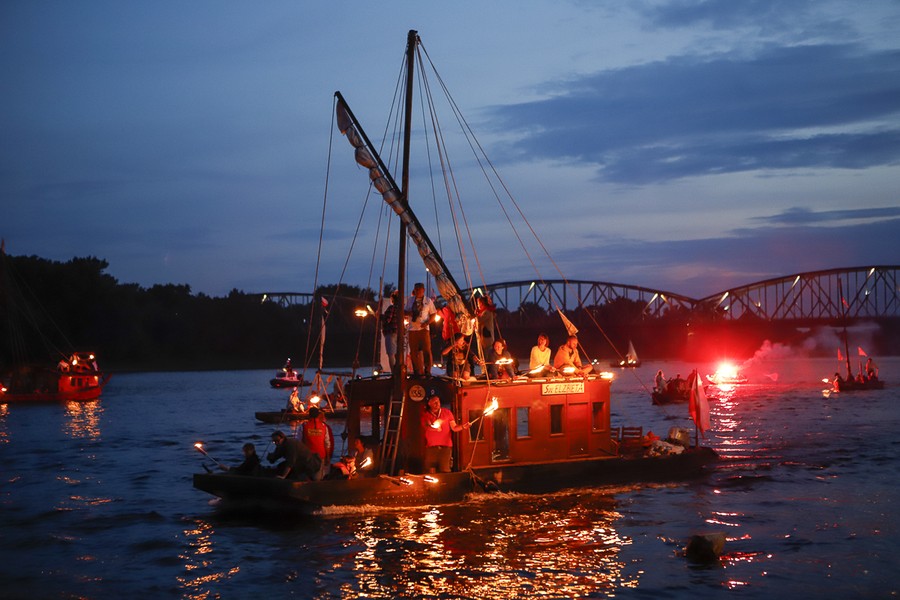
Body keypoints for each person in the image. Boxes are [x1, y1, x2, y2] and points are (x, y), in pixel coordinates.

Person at [421, 391, 470, 473]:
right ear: (429, 403)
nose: (437, 404)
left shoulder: (447, 412)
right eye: (434, 402)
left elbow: (454, 427)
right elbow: (426, 427)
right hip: (431, 448)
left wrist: (462, 427)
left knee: (445, 470)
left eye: (438, 401)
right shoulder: (426, 415)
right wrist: (435, 428)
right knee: (430, 471)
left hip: (445, 448)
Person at [405, 282, 437, 377]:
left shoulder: (428, 301)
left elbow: (433, 313)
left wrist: (427, 322)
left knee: (426, 350)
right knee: (413, 351)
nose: (418, 291)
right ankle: (416, 371)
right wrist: (409, 313)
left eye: (419, 289)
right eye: (416, 289)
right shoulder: (410, 300)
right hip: (412, 329)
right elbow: (404, 311)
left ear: (423, 290)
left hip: (424, 329)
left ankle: (427, 371)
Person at [300, 407, 334, 480]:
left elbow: (299, 441)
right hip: (321, 456)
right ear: (318, 415)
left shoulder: (303, 426)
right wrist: (328, 457)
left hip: (307, 456)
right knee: (318, 478)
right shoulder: (324, 427)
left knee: (306, 477)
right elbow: (327, 443)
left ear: (309, 415)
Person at [381, 290, 400, 370]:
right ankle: (398, 370)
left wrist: (380, 316)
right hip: (399, 333)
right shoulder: (401, 309)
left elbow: (387, 320)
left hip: (391, 333)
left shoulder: (392, 308)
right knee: (397, 354)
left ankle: (394, 372)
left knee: (391, 354)